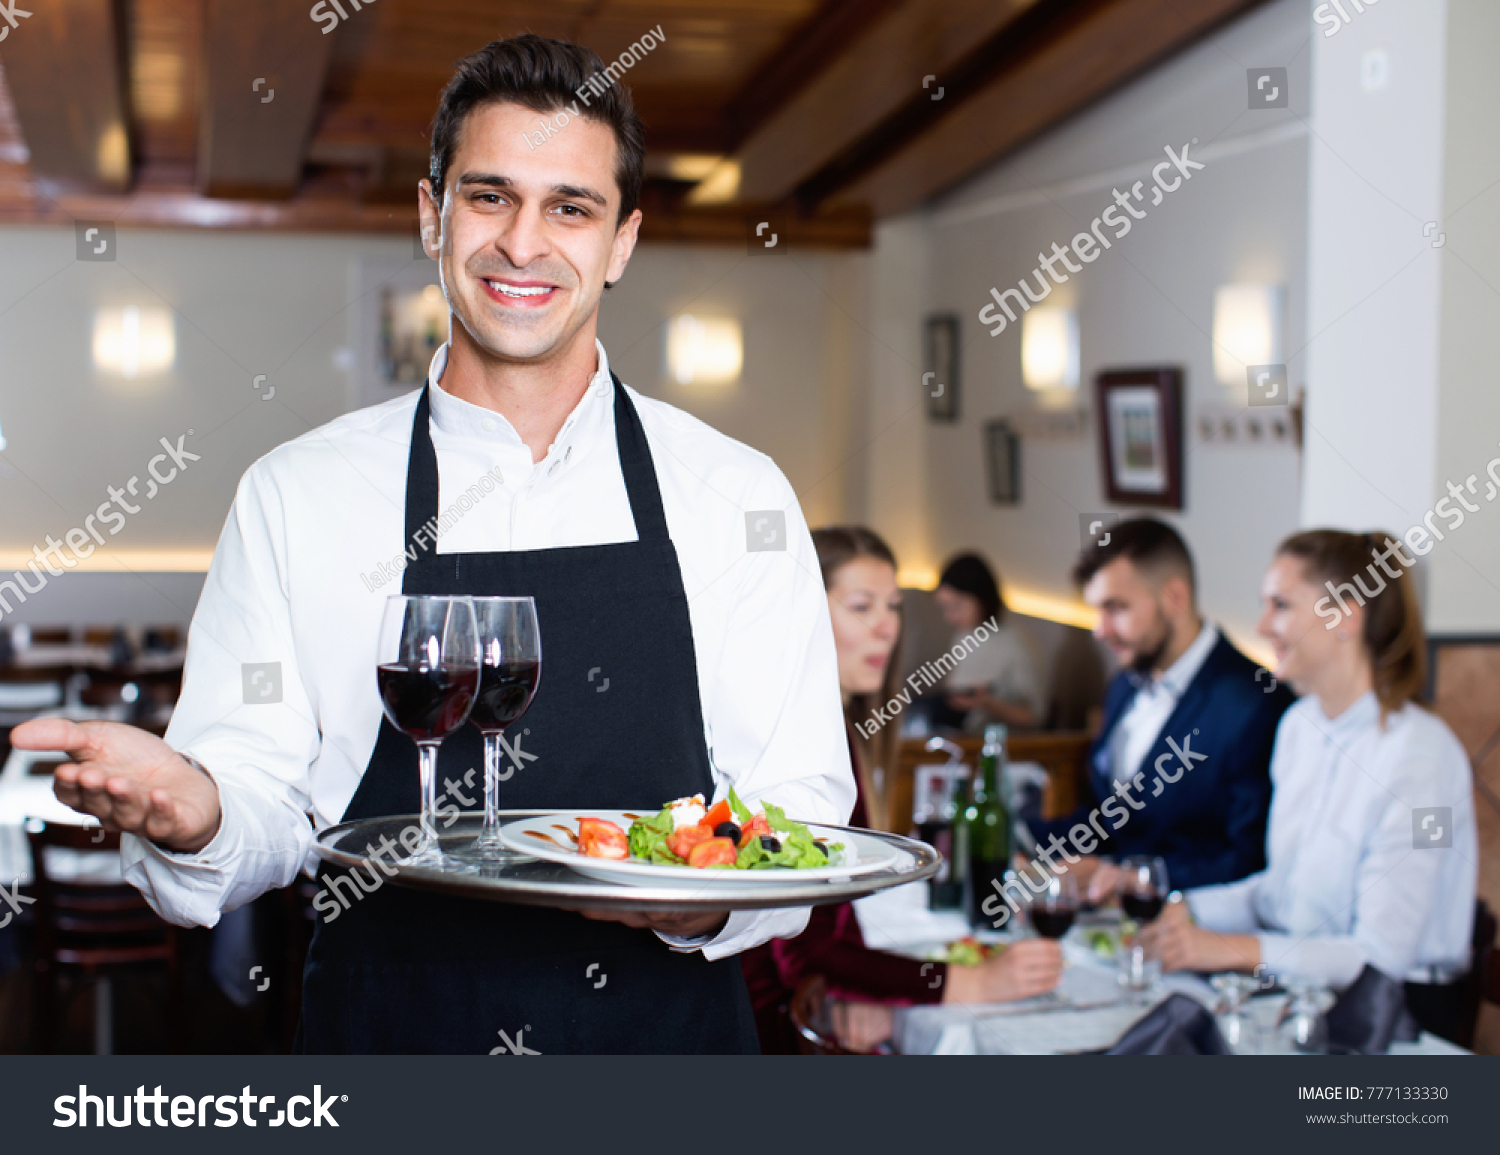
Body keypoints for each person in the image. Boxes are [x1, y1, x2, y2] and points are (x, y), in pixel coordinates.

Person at [12, 35, 856, 1054]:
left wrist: (694, 899)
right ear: (432, 215)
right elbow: (263, 800)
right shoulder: (299, 494)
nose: (523, 243)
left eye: (571, 207)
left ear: (621, 243)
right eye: (489, 196)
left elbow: (799, 803)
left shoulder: (734, 494)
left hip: (662, 1042)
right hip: (390, 1042)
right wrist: (199, 814)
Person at [1140, 530, 1478, 1042]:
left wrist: (1233, 949)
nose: (1261, 626)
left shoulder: (1420, 756)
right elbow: (1282, 896)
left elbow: (1380, 956)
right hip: (1296, 993)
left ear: (1345, 615)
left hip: (1393, 1019)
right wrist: (1189, 908)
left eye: (1281, 606)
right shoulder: (1299, 726)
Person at [741, 527, 1062, 1054]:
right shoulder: (797, 735)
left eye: (892, 607)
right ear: (801, 609)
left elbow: (832, 923)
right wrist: (967, 984)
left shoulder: (836, 725)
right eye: (861, 607)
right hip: (763, 1029)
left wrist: (867, 991)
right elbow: (799, 945)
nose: (886, 628)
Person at [1027, 518, 1294, 899]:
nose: (1099, 630)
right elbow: (1109, 819)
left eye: (1115, 608)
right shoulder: (1125, 682)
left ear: (1175, 598)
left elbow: (1248, 861)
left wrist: (1131, 878)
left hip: (1194, 933)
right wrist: (1023, 845)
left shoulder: (1254, 703)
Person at [932, 552, 1042, 731]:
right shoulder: (964, 634)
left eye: (957, 606)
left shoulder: (1016, 644)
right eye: (945, 608)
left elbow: (1033, 718)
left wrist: (987, 703)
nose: (949, 617)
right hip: (964, 733)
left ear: (982, 597)